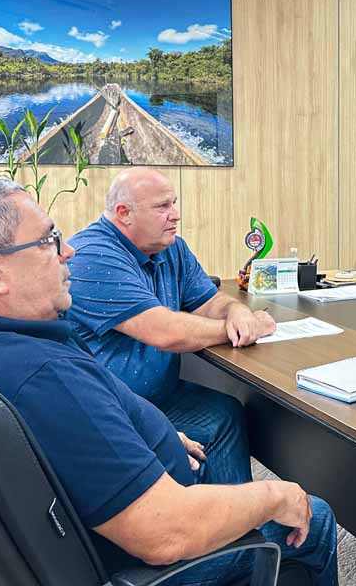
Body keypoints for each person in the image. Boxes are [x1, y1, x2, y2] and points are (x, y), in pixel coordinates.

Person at [0, 178, 337, 585]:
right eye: (49, 241)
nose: (69, 251)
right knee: (312, 517)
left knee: (218, 416)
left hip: (58, 537)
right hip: (148, 562)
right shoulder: (43, 376)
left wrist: (148, 435)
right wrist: (275, 496)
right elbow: (167, 533)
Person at [66, 167, 274, 487]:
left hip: (157, 396)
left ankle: (238, 512)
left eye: (174, 203)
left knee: (224, 412)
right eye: (162, 206)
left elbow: (208, 300)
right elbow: (164, 332)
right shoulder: (92, 255)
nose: (175, 214)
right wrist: (245, 328)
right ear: (124, 213)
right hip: (111, 412)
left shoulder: (171, 247)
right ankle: (221, 510)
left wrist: (237, 311)